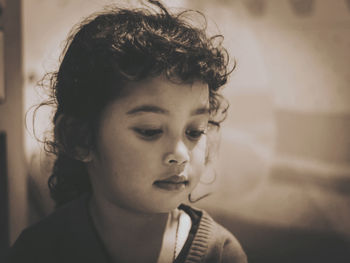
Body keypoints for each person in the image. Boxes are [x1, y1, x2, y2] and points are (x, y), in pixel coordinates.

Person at [9, 1, 247, 262]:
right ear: (79, 138)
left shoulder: (221, 254)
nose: (180, 155)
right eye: (150, 131)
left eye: (194, 131)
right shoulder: (37, 251)